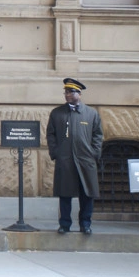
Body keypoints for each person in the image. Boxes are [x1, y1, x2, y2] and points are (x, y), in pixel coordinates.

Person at [46, 77, 103, 235]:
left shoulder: (91, 113)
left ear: (79, 93)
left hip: (86, 160)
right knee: (65, 194)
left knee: (87, 194)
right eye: (66, 92)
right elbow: (51, 135)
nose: (67, 95)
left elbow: (98, 135)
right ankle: (64, 224)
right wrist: (55, 152)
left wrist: (94, 153)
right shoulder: (57, 113)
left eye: (71, 92)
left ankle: (85, 224)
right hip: (65, 160)